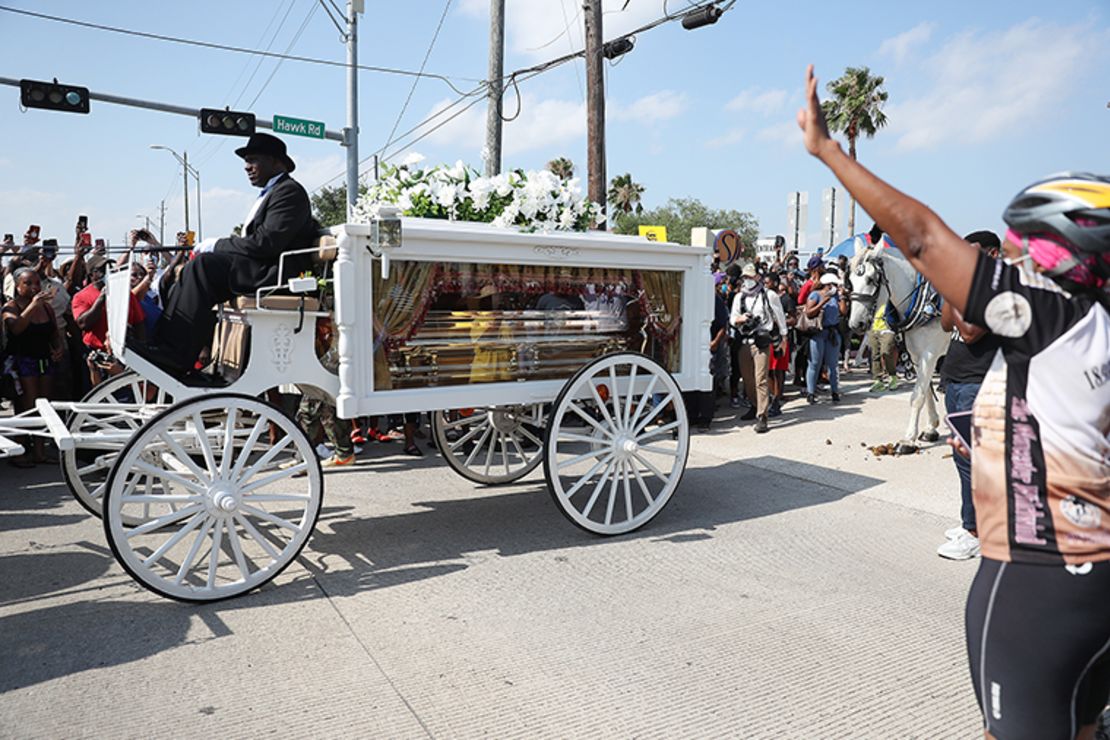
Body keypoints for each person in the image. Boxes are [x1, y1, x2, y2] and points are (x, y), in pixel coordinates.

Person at [799, 64, 1109, 739]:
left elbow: (918, 238)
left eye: (1025, 254)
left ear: (1066, 259)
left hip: (1037, 588)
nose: (1016, 268)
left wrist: (828, 151)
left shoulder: (1056, 317)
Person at [144, 133, 318, 376]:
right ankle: (163, 341)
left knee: (203, 267)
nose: (247, 167)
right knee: (184, 271)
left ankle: (176, 354)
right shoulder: (274, 192)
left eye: (253, 160)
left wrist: (217, 245)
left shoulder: (290, 193)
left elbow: (264, 244)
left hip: (276, 275)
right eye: (246, 161)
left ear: (277, 162)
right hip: (259, 268)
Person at [935, 230, 1005, 562]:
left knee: (975, 462)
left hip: (980, 383)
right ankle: (972, 521)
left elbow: (971, 332)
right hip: (958, 380)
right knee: (965, 461)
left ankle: (977, 531)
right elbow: (948, 324)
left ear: (991, 255)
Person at [2, 268, 64, 466]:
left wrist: (58, 347)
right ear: (18, 286)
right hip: (22, 361)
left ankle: (39, 452)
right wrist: (32, 306)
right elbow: (17, 328)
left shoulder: (46, 309)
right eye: (27, 283)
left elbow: (54, 332)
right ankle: (19, 451)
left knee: (44, 406)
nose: (33, 287)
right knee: (27, 408)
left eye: (36, 283)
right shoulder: (10, 307)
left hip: (44, 360)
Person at [71, 255, 145, 386]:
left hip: (123, 353)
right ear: (92, 274)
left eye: (110, 268)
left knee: (126, 392)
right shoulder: (81, 296)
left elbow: (139, 323)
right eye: (102, 269)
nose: (108, 272)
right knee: (99, 393)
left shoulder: (125, 294)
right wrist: (101, 299)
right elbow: (83, 324)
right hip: (97, 355)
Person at [731, 263, 787, 433]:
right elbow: (732, 318)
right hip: (744, 341)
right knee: (747, 379)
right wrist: (741, 318)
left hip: (761, 340)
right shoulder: (739, 297)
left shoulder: (769, 295)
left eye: (750, 276)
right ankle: (754, 405)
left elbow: (780, 316)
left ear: (757, 277)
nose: (747, 280)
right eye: (745, 277)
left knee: (760, 378)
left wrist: (783, 337)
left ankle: (762, 415)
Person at [804, 271, 846, 404]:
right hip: (818, 332)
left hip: (832, 332)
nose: (835, 287)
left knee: (833, 364)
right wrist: (822, 303)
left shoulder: (835, 297)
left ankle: (835, 391)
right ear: (827, 285)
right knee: (815, 363)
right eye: (834, 285)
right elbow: (809, 313)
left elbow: (843, 312)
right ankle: (810, 392)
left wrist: (842, 297)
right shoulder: (815, 295)